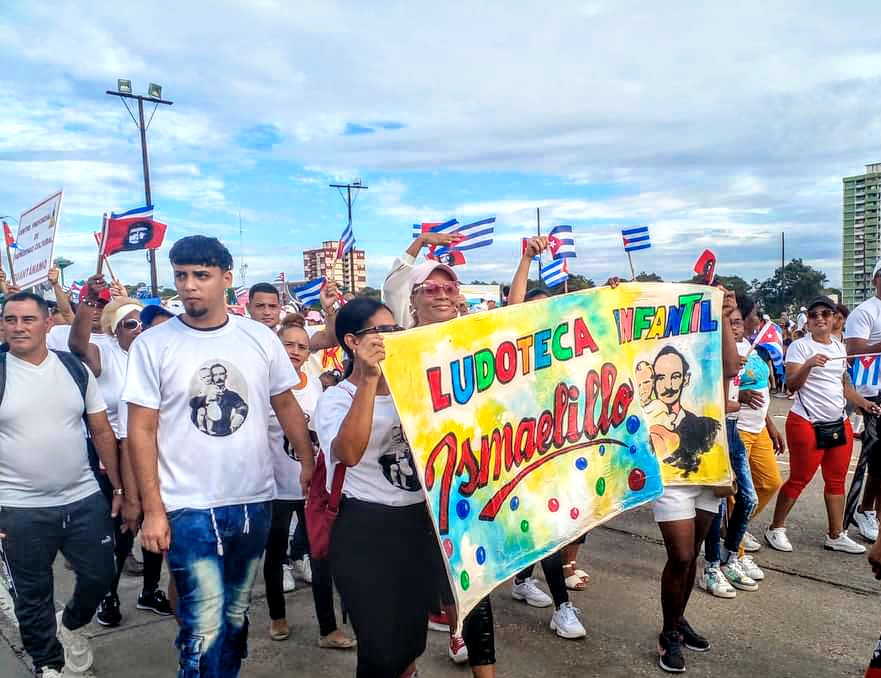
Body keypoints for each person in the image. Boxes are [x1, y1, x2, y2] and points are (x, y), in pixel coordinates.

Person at [123, 236, 315, 678]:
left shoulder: (258, 339)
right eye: (182, 276)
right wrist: (153, 510)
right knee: (203, 621)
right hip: (187, 504)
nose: (190, 286)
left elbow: (285, 403)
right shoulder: (155, 345)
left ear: (227, 281)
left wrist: (306, 461)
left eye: (201, 276)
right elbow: (141, 428)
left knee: (234, 613)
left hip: (251, 500)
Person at [383, 259, 498, 674]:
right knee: (413, 584)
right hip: (407, 487)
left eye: (449, 289)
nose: (442, 295)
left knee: (472, 577)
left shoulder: (472, 341)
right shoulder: (394, 346)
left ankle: (479, 662)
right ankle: (407, 663)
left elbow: (526, 332)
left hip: (465, 480)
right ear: (411, 299)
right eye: (430, 288)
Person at [0, 291, 123, 677]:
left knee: (100, 576)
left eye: (27, 319)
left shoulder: (74, 368)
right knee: (32, 594)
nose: (18, 327)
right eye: (10, 319)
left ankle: (69, 625)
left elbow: (101, 429)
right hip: (18, 507)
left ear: (47, 322)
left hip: (83, 498)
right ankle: (48, 664)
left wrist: (118, 488)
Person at [68, 281, 172, 625]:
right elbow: (77, 345)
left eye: (142, 322)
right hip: (110, 456)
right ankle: (107, 595)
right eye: (130, 323)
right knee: (124, 527)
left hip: (154, 452)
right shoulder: (104, 353)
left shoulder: (156, 356)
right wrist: (89, 304)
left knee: (157, 522)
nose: (139, 328)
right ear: (115, 330)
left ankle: (149, 590)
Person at [651, 285, 741, 673]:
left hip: (711, 465)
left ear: (685, 377)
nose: (668, 383)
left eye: (675, 377)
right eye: (661, 377)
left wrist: (721, 315)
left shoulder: (708, 358)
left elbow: (733, 369)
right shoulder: (657, 339)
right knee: (682, 555)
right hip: (668, 475)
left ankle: (678, 620)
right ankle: (668, 634)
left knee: (694, 555)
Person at [263, 313, 355, 649]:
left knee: (321, 555)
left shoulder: (315, 383)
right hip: (275, 485)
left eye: (302, 346)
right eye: (288, 344)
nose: (295, 351)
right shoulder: (265, 386)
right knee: (274, 554)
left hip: (313, 486)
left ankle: (328, 629)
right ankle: (277, 617)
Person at [767, 296, 879, 554]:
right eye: (814, 315)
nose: (820, 319)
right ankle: (776, 527)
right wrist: (808, 364)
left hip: (838, 421)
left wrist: (864, 403)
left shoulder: (839, 347)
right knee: (800, 478)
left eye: (825, 314)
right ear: (807, 321)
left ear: (834, 319)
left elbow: (844, 385)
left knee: (836, 479)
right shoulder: (799, 347)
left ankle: (836, 534)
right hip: (806, 421)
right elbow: (792, 384)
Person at [700, 305, 760, 598]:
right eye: (729, 322)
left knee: (748, 498)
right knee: (718, 503)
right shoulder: (712, 351)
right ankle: (712, 566)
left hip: (734, 429)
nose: (735, 327)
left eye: (738, 322)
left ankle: (729, 555)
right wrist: (738, 402)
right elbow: (719, 399)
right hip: (718, 429)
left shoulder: (741, 349)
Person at [845, 260, 881, 542]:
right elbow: (855, 352)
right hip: (873, 390)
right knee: (873, 458)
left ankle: (874, 511)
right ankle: (862, 510)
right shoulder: (865, 311)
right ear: (875, 280)